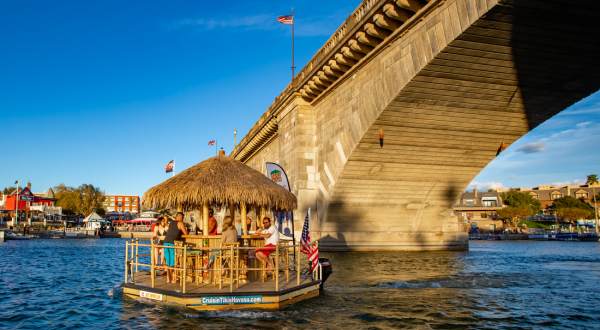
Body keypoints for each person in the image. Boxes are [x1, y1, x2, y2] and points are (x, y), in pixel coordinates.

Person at [163, 212, 188, 284]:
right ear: (179, 217)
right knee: (172, 262)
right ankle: (173, 278)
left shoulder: (171, 223)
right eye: (182, 218)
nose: (183, 219)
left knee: (168, 261)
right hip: (172, 243)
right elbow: (186, 234)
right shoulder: (180, 223)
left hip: (165, 242)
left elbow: (172, 231)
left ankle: (168, 278)